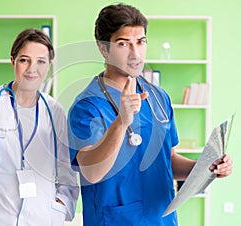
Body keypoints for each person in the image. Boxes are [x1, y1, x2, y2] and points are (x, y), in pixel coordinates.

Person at [67, 3, 233, 226]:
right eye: (123, 44)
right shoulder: (87, 106)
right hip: (115, 221)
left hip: (162, 219)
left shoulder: (158, 97)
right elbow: (92, 173)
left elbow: (169, 161)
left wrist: (206, 168)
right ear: (104, 49)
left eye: (141, 42)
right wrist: (121, 122)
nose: (135, 53)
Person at [0, 28, 78, 226]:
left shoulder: (55, 110)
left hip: (42, 217)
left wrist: (61, 205)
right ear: (13, 61)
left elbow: (67, 169)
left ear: (49, 66)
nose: (32, 68)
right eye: (24, 60)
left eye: (41, 61)